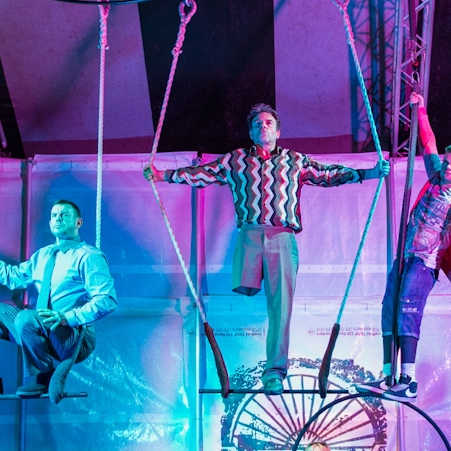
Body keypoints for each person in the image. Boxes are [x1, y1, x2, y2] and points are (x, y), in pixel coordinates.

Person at [144, 104, 388, 395]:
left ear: (278, 131)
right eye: (258, 123)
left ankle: (274, 372)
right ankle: (236, 360)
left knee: (280, 307)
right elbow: (202, 173)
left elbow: (328, 174)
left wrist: (368, 173)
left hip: (282, 235)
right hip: (249, 235)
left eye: (269, 122)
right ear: (250, 131)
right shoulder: (235, 160)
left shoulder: (294, 160)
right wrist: (164, 176)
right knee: (241, 295)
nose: (263, 125)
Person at [357, 91, 451, 401]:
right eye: (447, 162)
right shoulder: (434, 179)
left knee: (407, 311)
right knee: (389, 309)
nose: (448, 166)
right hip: (406, 254)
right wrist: (420, 109)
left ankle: (408, 381)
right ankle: (387, 376)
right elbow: (428, 144)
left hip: (426, 262)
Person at [0, 200, 116, 402]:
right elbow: (13, 277)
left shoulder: (87, 256)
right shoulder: (43, 255)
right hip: (39, 328)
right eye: (54, 215)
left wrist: (68, 318)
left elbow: (107, 299)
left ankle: (44, 375)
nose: (58, 218)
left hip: (74, 336)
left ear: (78, 223)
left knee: (26, 317)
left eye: (64, 215)